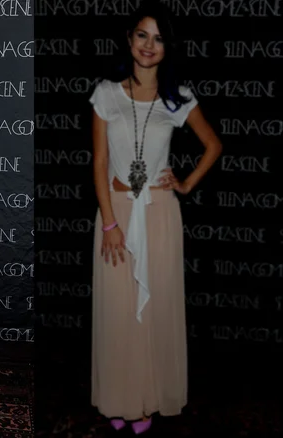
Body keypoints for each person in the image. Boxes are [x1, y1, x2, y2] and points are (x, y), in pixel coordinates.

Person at [89, 0, 222, 434]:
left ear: (167, 47)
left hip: (160, 214)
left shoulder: (177, 98)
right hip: (117, 212)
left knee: (153, 311)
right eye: (142, 35)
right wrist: (109, 224)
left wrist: (185, 183)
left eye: (159, 38)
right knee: (118, 310)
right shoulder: (106, 93)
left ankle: (146, 400)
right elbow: (99, 163)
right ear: (129, 40)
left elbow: (213, 145)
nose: (149, 45)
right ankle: (118, 398)